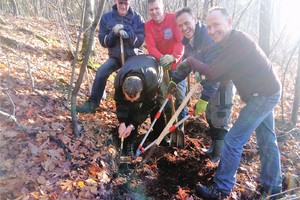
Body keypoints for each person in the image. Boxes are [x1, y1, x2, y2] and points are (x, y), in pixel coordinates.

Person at [176, 7, 282, 199]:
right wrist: (205, 73)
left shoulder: (238, 42)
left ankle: (221, 189)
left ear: (230, 22)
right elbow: (222, 72)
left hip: (264, 94)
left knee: (233, 140)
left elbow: (215, 72)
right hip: (266, 91)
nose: (212, 30)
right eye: (208, 27)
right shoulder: (227, 44)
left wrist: (191, 62)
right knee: (267, 140)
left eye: (216, 25)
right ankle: (273, 185)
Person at [170, 7, 235, 163]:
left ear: (195, 20)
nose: (184, 28)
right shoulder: (189, 42)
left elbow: (215, 73)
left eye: (187, 23)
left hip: (222, 85)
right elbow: (189, 64)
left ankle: (218, 156)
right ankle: (213, 148)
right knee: (211, 117)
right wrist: (175, 80)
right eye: (180, 25)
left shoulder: (208, 38)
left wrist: (204, 98)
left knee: (220, 119)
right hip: (209, 85)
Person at [76, 0, 145, 113]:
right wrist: (113, 33)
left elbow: (139, 42)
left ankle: (135, 109)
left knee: (133, 81)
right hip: (115, 57)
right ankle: (92, 104)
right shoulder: (107, 18)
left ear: (130, 2)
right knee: (101, 72)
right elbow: (103, 42)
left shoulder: (138, 18)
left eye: (126, 3)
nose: (123, 6)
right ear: (115, 1)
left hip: (133, 58)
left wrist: (129, 33)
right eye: (120, 3)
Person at [114, 54, 166, 156]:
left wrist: (133, 124)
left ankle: (159, 133)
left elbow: (148, 106)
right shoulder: (119, 81)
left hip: (154, 65)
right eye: (129, 98)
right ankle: (128, 141)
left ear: (141, 92)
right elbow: (120, 102)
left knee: (157, 105)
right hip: (134, 62)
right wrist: (122, 122)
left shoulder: (152, 81)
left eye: (135, 98)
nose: (132, 101)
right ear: (123, 90)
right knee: (132, 106)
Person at [145, 0, 186, 127]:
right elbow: (150, 46)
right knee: (164, 97)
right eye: (151, 10)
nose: (154, 12)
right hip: (162, 67)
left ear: (163, 7)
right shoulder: (148, 25)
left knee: (180, 96)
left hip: (178, 65)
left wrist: (173, 57)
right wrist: (162, 58)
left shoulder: (174, 19)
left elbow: (181, 42)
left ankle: (180, 126)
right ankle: (169, 126)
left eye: (157, 8)